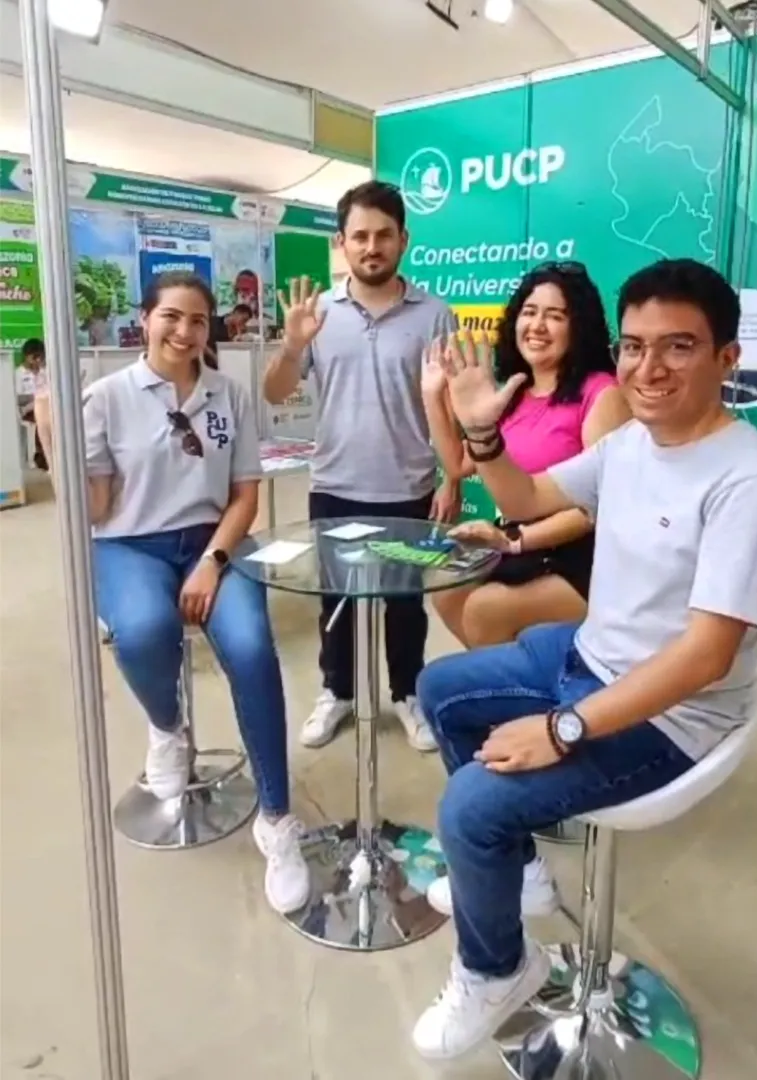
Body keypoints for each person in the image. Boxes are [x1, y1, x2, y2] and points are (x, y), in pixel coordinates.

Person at [410, 258, 757, 1062]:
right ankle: (521, 878)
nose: (649, 368)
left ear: (728, 359)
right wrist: (481, 433)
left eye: (679, 347)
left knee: (470, 809)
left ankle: (497, 969)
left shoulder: (752, 482)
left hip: (671, 716)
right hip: (588, 656)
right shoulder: (630, 443)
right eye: (634, 346)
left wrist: (563, 727)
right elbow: (526, 502)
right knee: (442, 689)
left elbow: (704, 656)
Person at [82, 270, 309, 915]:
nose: (184, 332)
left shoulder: (228, 395)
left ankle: (276, 817)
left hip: (216, 540)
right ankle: (167, 727)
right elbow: (98, 509)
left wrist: (212, 560)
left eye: (198, 322)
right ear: (146, 318)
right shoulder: (106, 397)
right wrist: (53, 431)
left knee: (252, 648)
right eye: (171, 317)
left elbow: (244, 495)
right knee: (147, 629)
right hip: (129, 543)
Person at [263, 180, 461, 753]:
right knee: (338, 602)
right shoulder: (318, 313)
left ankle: (408, 693)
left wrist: (451, 479)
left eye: (383, 235)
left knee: (405, 604)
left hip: (410, 486)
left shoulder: (434, 314)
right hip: (335, 485)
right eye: (359, 236)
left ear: (404, 239)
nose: (371, 246)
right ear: (342, 243)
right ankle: (338, 692)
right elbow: (276, 393)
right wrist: (293, 346)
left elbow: (447, 402)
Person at [423, 263, 630, 648]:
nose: (537, 325)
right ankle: (510, 681)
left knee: (486, 608)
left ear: (578, 326)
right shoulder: (514, 393)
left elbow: (596, 509)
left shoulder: (601, 392)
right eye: (530, 312)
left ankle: (509, 690)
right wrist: (432, 393)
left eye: (555, 316)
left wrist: (514, 538)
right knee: (447, 589)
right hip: (523, 544)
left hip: (585, 556)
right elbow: (457, 464)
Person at [19, 338, 53, 472]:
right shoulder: (19, 374)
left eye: (40, 357)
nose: (38, 361)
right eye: (35, 357)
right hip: (28, 411)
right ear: (27, 356)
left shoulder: (46, 372)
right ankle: (43, 459)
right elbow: (18, 398)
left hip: (46, 407)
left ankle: (52, 458)